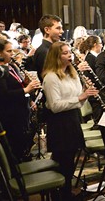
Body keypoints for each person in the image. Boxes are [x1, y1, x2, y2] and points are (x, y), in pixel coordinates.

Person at [42, 41, 98, 199]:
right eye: (65, 53)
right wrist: (80, 97)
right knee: (62, 161)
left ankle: (66, 191)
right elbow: (54, 106)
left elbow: (79, 100)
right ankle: (61, 194)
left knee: (70, 160)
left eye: (70, 52)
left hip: (73, 119)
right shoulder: (51, 77)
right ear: (56, 57)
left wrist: (86, 94)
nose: (70, 56)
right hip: (59, 123)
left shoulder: (72, 74)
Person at [0, 38, 41, 162]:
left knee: (24, 142)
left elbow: (17, 84)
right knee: (14, 149)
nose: (12, 54)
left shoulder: (11, 66)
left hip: (21, 112)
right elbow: (3, 95)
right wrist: (26, 89)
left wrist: (26, 83)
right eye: (9, 51)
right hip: (9, 116)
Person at [79, 35, 104, 123]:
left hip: (96, 91)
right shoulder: (91, 58)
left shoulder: (93, 57)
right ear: (95, 44)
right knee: (98, 118)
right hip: (95, 92)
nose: (102, 46)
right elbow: (89, 76)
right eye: (100, 43)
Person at [34, 14, 64, 81]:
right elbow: (51, 77)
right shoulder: (44, 51)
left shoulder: (51, 49)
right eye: (58, 28)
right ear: (47, 30)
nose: (62, 31)